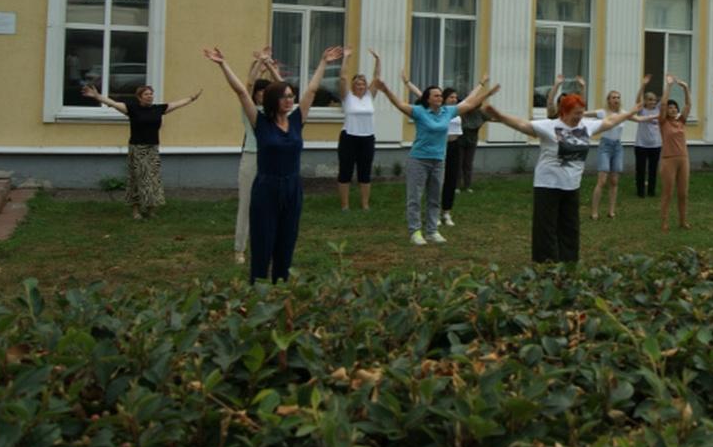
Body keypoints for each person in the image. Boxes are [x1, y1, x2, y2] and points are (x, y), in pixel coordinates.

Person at [204, 44, 343, 283]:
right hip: (266, 189)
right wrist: (222, 64)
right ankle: (257, 290)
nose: (290, 100)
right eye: (284, 96)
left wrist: (323, 62)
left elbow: (310, 91)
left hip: (292, 189)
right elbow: (241, 92)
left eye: (291, 96)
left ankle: (281, 288)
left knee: (286, 244)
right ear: (273, 99)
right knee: (263, 244)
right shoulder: (261, 123)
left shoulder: (297, 120)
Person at [483, 93, 639, 262]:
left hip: (572, 185)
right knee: (546, 228)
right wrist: (499, 115)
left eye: (581, 113)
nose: (580, 117)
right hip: (547, 184)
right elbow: (522, 124)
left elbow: (609, 122)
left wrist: (630, 113)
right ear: (564, 112)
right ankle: (546, 264)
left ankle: (569, 262)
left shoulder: (586, 126)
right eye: (576, 113)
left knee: (570, 227)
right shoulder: (549, 126)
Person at [377, 74, 497, 246]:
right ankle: (415, 232)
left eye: (441, 95)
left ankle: (432, 231)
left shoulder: (448, 111)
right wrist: (386, 90)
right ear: (428, 99)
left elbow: (470, 103)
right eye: (436, 95)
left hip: (438, 160)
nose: (440, 97)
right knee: (415, 198)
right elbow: (399, 104)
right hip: (419, 160)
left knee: (434, 198)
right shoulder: (419, 111)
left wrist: (487, 92)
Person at [81, 81, 201, 220]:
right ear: (139, 97)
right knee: (138, 179)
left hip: (153, 149)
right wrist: (97, 96)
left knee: (153, 180)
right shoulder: (132, 109)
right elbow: (113, 103)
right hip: (137, 148)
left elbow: (176, 104)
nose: (150, 96)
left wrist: (192, 98)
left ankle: (150, 210)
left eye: (151, 94)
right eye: (146, 94)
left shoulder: (158, 109)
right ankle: (136, 211)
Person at [236, 47, 283, 264]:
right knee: (247, 204)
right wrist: (257, 65)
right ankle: (240, 250)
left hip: (272, 161)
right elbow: (246, 86)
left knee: (272, 205)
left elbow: (284, 88)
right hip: (251, 158)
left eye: (267, 93)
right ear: (255, 96)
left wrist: (271, 67)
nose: (263, 96)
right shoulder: (250, 111)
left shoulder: (276, 113)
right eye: (260, 93)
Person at [336, 48, 381, 211]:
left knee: (365, 172)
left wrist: (378, 60)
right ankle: (345, 205)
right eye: (357, 84)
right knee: (345, 172)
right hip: (349, 137)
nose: (360, 86)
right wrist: (346, 58)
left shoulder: (369, 96)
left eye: (363, 84)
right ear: (353, 86)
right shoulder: (347, 98)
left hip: (367, 138)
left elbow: (377, 78)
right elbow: (342, 78)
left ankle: (365, 204)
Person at [589, 89, 641, 220]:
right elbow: (584, 113)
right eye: (613, 97)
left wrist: (655, 117)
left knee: (614, 181)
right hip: (605, 146)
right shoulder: (602, 112)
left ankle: (611, 211)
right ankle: (594, 211)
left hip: (617, 147)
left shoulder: (623, 113)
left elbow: (638, 118)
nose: (616, 99)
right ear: (608, 100)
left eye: (618, 97)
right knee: (602, 180)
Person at [657, 76, 693, 231]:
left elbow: (689, 104)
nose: (672, 109)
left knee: (683, 193)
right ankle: (664, 222)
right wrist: (669, 86)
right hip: (668, 160)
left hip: (683, 159)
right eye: (670, 108)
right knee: (668, 193)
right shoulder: (663, 122)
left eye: (674, 108)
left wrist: (685, 88)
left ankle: (683, 221)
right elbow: (663, 104)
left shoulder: (681, 121)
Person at [633, 75, 662, 198]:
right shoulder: (642, 111)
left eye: (654, 100)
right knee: (640, 170)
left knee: (653, 170)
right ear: (645, 101)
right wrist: (643, 85)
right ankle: (640, 191)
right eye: (650, 100)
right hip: (641, 145)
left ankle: (651, 191)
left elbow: (664, 100)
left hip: (655, 145)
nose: (652, 102)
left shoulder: (659, 110)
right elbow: (637, 100)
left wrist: (670, 86)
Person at [439, 88, 463, 226]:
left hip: (455, 146)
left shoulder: (458, 110)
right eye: (451, 97)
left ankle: (447, 212)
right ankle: (434, 213)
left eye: (455, 97)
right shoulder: (439, 110)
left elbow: (471, 99)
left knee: (451, 180)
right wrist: (407, 83)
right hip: (441, 146)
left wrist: (482, 84)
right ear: (444, 99)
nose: (454, 99)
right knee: (438, 180)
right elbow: (420, 95)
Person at [457, 101, 486, 194]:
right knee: (458, 164)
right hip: (459, 141)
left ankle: (467, 186)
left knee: (468, 164)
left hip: (472, 142)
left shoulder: (479, 113)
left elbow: (491, 118)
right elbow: (464, 126)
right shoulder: (462, 112)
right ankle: (456, 186)